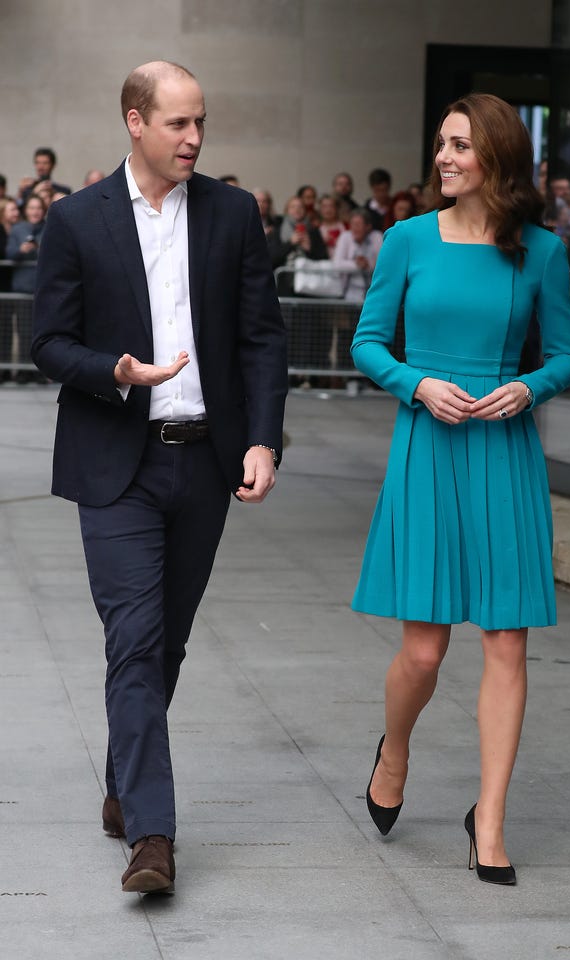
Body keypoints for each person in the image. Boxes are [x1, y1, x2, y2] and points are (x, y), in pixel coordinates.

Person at [31, 60, 288, 895]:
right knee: (134, 641)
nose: (195, 138)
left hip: (206, 464)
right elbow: (47, 342)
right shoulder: (76, 219)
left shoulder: (232, 213)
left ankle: (124, 781)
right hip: (117, 464)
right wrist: (114, 370)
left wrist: (263, 441)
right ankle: (153, 836)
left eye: (201, 121)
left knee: (165, 643)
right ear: (135, 121)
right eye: (179, 122)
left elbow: (262, 337)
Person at [351, 93, 570, 886]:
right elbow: (369, 343)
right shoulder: (407, 239)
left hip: (505, 448)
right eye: (442, 144)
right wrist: (416, 385)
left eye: (460, 145)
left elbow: (565, 355)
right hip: (429, 444)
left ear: (497, 156)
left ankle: (490, 821)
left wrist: (529, 387)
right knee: (423, 650)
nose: (443, 157)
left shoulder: (541, 252)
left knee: (507, 641)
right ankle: (395, 751)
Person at [332, 208, 383, 302]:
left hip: (373, 293)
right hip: (349, 294)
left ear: (368, 226)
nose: (355, 228)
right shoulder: (345, 236)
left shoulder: (377, 237)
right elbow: (337, 264)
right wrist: (357, 264)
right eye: (353, 224)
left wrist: (368, 264)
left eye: (358, 224)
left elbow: (382, 264)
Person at [7, 194, 47, 293]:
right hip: (21, 286)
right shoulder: (17, 228)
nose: (35, 212)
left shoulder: (50, 228)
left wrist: (40, 249)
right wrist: (20, 250)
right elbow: (9, 254)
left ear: (43, 210)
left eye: (39, 208)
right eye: (31, 208)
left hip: (44, 286)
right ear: (26, 210)